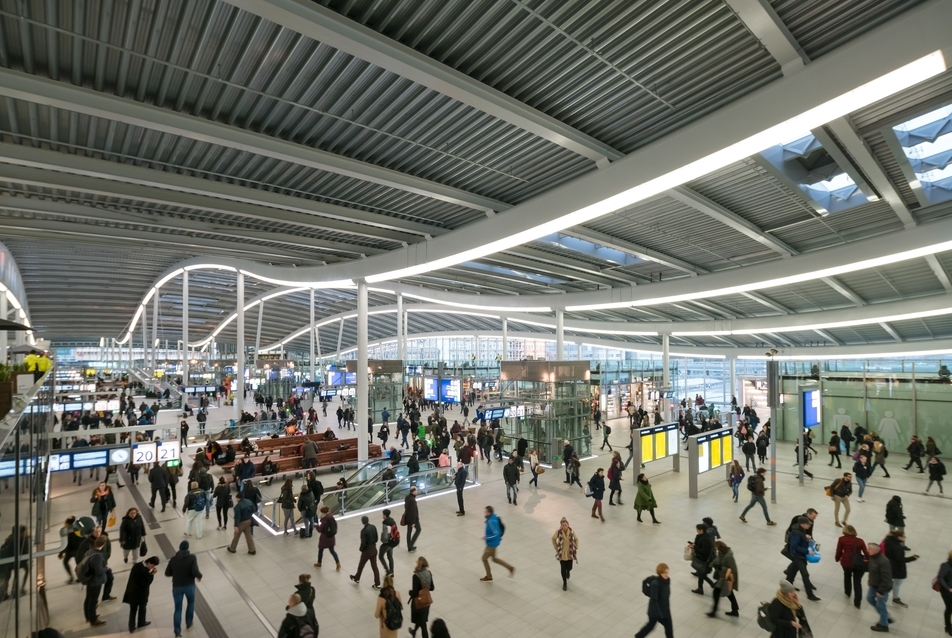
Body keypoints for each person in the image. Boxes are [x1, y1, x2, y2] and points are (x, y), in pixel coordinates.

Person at [165, 540, 202, 638]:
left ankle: (177, 631)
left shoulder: (173, 559)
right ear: (187, 548)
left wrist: (176, 573)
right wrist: (199, 576)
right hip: (189, 585)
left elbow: (167, 573)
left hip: (176, 587)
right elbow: (195, 571)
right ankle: (189, 623)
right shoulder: (192, 558)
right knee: (191, 603)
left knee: (178, 608)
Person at [784, 516, 820, 601]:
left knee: (791, 573)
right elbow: (794, 545)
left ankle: (787, 589)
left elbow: (799, 540)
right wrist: (807, 551)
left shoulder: (800, 530)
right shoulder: (797, 532)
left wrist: (805, 537)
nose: (809, 526)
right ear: (802, 524)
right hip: (798, 556)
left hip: (800, 555)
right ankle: (810, 595)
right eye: (808, 524)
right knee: (805, 575)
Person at [834, 524, 868, 609]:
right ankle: (857, 602)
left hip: (846, 562)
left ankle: (848, 592)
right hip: (858, 564)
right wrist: (868, 560)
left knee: (847, 576)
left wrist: (837, 558)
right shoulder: (860, 541)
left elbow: (839, 550)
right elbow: (866, 552)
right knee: (857, 582)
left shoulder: (841, 539)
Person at [123, 555, 159, 633]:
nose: (152, 567)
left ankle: (131, 627)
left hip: (132, 592)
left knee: (133, 610)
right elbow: (146, 582)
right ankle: (141, 622)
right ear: (149, 562)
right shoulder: (144, 571)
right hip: (140, 594)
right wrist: (152, 574)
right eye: (152, 565)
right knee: (142, 607)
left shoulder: (137, 565)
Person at [635, 563, 672, 638]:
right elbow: (654, 601)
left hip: (665, 610)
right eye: (664, 573)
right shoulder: (655, 584)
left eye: (667, 572)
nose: (666, 574)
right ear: (659, 573)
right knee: (650, 626)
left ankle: (639, 636)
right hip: (655, 612)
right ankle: (638, 636)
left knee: (669, 630)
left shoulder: (667, 580)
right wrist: (659, 615)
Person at [882, 529, 917, 608]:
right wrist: (913, 558)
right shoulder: (898, 547)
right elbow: (901, 559)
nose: (905, 537)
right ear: (899, 537)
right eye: (904, 536)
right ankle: (894, 598)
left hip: (889, 565)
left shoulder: (888, 542)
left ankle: (891, 597)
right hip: (897, 568)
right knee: (897, 583)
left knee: (893, 583)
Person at [81, 535, 110, 626]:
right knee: (93, 600)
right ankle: (93, 620)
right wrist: (106, 568)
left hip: (89, 579)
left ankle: (88, 616)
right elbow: (99, 571)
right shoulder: (98, 556)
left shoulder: (89, 551)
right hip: (95, 581)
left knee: (88, 598)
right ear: (103, 544)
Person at [480, 506, 514, 582]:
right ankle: (510, 568)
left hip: (492, 544)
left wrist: (486, 537)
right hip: (494, 542)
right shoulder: (493, 517)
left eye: (485, 511)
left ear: (489, 512)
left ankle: (489, 576)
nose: (484, 513)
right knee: (494, 559)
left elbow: (496, 533)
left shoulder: (491, 521)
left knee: (484, 558)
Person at [706, 540, 739, 617]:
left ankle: (714, 611)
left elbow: (733, 569)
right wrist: (711, 565)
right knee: (729, 593)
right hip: (722, 577)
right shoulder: (721, 553)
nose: (716, 549)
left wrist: (721, 568)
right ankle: (735, 610)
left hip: (725, 578)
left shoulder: (728, 557)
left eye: (716, 548)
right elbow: (716, 560)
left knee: (716, 593)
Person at [867, 541, 893, 632]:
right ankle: (886, 617)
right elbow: (871, 570)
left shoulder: (884, 561)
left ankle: (884, 625)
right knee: (869, 598)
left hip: (882, 587)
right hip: (874, 584)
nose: (867, 550)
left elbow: (886, 578)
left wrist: (881, 591)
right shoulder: (872, 557)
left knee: (881, 605)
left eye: (869, 549)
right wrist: (870, 579)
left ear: (875, 550)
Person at [350, 515, 381, 588]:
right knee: (374, 566)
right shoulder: (373, 526)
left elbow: (363, 543)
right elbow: (376, 538)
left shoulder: (363, 531)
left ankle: (357, 578)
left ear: (362, 522)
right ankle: (377, 583)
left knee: (361, 565)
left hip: (367, 551)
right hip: (374, 549)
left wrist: (361, 549)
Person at [408, 556, 434, 638]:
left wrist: (410, 592)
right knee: (421, 620)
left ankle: (417, 633)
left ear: (419, 564)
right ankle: (414, 631)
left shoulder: (416, 576)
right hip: (427, 602)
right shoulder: (429, 573)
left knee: (423, 624)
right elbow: (432, 587)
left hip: (419, 603)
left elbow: (415, 593)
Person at [551, 517, 578, 591]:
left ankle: (568, 571)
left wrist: (576, 546)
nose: (564, 526)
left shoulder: (571, 531)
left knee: (569, 567)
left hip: (570, 552)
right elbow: (553, 538)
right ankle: (564, 583)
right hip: (562, 553)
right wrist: (556, 546)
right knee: (563, 568)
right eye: (562, 525)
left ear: (568, 525)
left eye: (565, 525)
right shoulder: (558, 532)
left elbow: (576, 539)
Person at [690, 522, 715, 595]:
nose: (696, 531)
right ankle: (700, 588)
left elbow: (704, 551)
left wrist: (695, 547)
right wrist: (694, 544)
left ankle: (713, 585)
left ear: (701, 530)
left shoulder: (705, 540)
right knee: (701, 574)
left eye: (697, 530)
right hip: (702, 559)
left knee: (702, 575)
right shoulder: (703, 536)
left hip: (704, 560)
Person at [374, 574, 402, 638]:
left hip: (385, 626)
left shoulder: (381, 598)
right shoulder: (397, 593)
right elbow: (400, 607)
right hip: (395, 623)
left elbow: (376, 615)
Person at [315, 506, 341, 570]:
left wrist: (316, 526)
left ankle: (319, 563)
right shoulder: (331, 517)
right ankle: (338, 563)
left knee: (320, 550)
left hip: (324, 538)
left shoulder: (324, 520)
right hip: (331, 537)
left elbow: (320, 530)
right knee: (332, 551)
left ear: (323, 513)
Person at [379, 509, 397, 576]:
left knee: (381, 556)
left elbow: (385, 534)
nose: (382, 515)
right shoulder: (392, 521)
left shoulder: (385, 523)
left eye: (383, 514)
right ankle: (392, 571)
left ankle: (388, 571)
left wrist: (383, 541)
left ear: (385, 515)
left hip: (387, 543)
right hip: (393, 541)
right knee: (390, 556)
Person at [938, 550, 952, 635]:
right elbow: (941, 577)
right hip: (947, 591)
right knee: (949, 608)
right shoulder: (946, 566)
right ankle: (948, 626)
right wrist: (948, 588)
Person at [403, 486, 421, 552]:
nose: (417, 491)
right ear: (413, 491)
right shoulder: (412, 500)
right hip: (413, 519)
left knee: (409, 532)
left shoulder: (407, 497)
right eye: (416, 490)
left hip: (408, 517)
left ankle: (409, 547)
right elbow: (413, 512)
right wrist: (413, 522)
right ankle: (411, 545)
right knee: (418, 529)